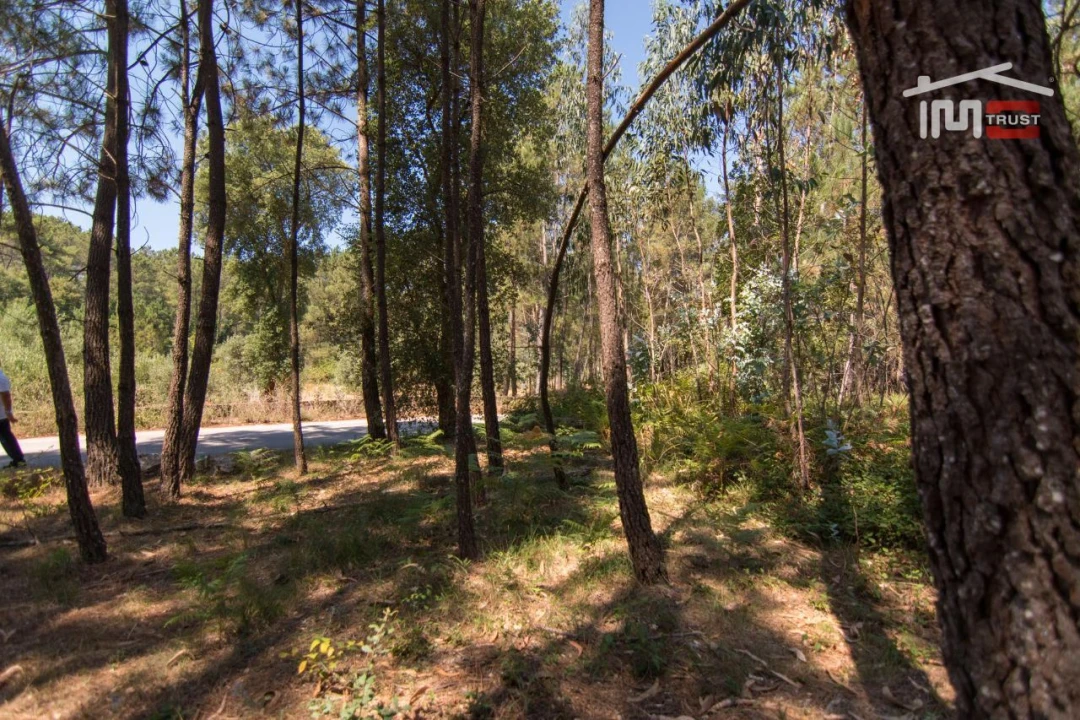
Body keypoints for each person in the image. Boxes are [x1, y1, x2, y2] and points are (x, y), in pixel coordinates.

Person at [0, 365, 26, 469]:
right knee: (5, 437)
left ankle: (19, 460)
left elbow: (6, 396)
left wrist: (8, 412)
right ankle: (18, 459)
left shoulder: (1, 378)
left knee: (6, 437)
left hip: (1, 416)